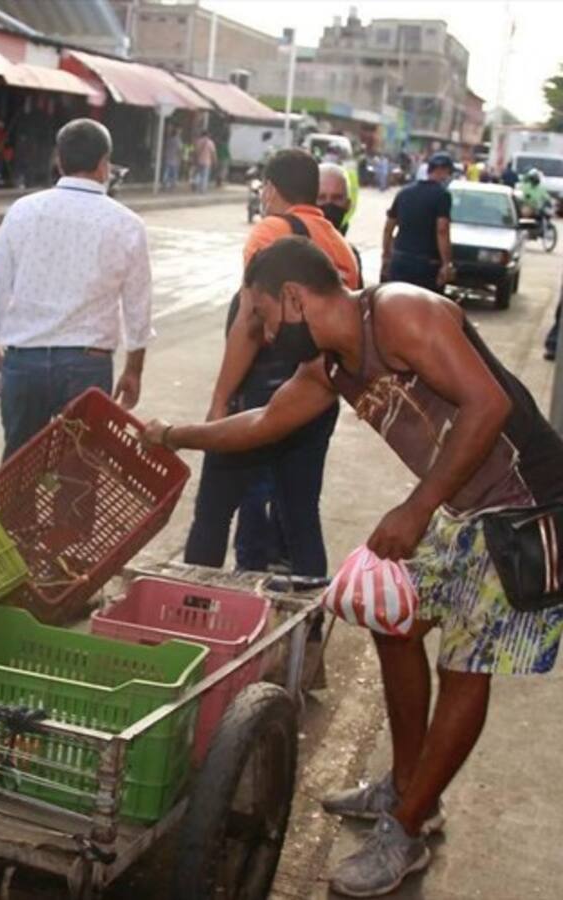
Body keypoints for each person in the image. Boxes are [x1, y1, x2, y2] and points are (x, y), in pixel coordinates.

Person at [143, 235, 563, 897]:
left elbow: (492, 405)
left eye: (261, 315)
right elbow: (263, 423)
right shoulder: (331, 368)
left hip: (524, 506)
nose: (259, 330)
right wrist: (172, 433)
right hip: (457, 506)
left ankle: (408, 829)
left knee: (465, 665)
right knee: (392, 622)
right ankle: (407, 786)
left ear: (292, 297)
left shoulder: (398, 313)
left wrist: (417, 508)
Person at [185, 149, 360, 578]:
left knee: (214, 510)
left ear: (271, 190)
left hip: (263, 391)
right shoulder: (341, 247)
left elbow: (250, 321)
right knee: (299, 512)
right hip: (317, 395)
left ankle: (191, 604)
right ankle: (308, 624)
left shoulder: (270, 232)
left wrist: (220, 402)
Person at [0, 118, 153, 460]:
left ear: (59, 160)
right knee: (78, 476)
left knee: (17, 472)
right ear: (104, 165)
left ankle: (17, 516)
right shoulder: (127, 224)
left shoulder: (24, 211)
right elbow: (138, 306)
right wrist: (134, 370)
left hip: (24, 362)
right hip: (87, 367)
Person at [382, 152, 454, 291]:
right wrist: (446, 263)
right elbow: (442, 230)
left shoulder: (404, 192)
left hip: (400, 260)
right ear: (444, 171)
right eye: (449, 173)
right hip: (426, 264)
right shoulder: (443, 195)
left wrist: (386, 255)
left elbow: (388, 228)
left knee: (396, 304)